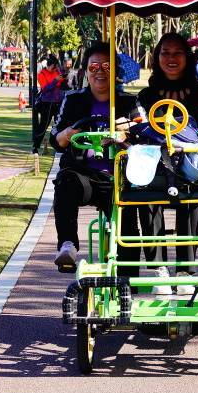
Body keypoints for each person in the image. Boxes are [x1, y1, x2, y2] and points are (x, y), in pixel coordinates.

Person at [50, 44, 136, 271]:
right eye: (94, 67)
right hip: (82, 175)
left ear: (116, 71)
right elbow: (55, 139)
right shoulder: (73, 100)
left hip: (118, 176)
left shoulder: (128, 102)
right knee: (65, 182)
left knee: (128, 207)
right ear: (86, 71)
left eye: (107, 66)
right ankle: (67, 245)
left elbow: (143, 132)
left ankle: (127, 275)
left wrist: (125, 130)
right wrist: (67, 134)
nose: (100, 71)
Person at [136, 31, 198, 270]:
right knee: (144, 192)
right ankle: (158, 270)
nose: (171, 58)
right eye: (165, 53)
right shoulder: (146, 96)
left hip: (190, 164)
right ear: (157, 57)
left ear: (187, 58)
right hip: (155, 164)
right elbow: (136, 126)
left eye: (178, 53)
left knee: (192, 195)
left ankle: (186, 270)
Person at [30, 54, 65, 153]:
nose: (55, 69)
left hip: (58, 102)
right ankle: (36, 146)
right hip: (46, 103)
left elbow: (62, 83)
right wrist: (55, 81)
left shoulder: (57, 71)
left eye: (56, 67)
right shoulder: (41, 74)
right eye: (54, 67)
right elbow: (45, 89)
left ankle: (60, 145)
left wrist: (62, 77)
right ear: (49, 65)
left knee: (60, 124)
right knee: (43, 126)